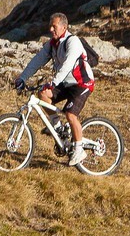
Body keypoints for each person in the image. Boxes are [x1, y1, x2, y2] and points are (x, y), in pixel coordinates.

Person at [15, 12, 95, 167]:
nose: (51, 29)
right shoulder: (52, 44)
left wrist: (53, 82)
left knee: (71, 115)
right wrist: (22, 78)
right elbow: (36, 61)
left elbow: (68, 65)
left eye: (54, 26)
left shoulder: (73, 42)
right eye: (50, 26)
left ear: (64, 27)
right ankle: (58, 128)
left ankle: (79, 150)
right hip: (65, 83)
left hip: (82, 83)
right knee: (43, 95)